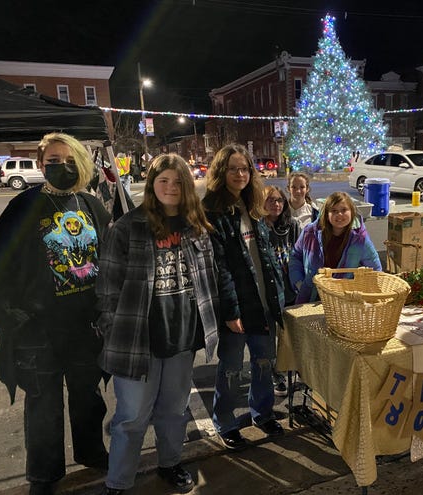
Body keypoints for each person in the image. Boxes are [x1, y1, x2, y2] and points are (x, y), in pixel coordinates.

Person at [0, 132, 111, 495]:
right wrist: (12, 321)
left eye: (68, 160)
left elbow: (111, 262)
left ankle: (91, 451)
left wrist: (106, 313)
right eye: (52, 161)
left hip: (85, 327)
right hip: (38, 329)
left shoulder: (91, 206)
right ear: (40, 165)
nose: (60, 167)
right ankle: (44, 473)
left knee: (88, 396)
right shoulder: (23, 207)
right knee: (43, 404)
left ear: (82, 162)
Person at [96, 154, 218, 495]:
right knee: (132, 418)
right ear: (152, 184)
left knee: (174, 412)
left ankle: (170, 464)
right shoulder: (127, 227)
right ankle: (119, 482)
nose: (171, 188)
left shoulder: (196, 227)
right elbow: (107, 288)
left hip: (180, 338)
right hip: (137, 341)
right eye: (163, 180)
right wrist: (110, 329)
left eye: (178, 182)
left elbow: (209, 280)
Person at [202, 144, 285, 451]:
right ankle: (225, 421)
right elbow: (219, 266)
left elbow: (267, 257)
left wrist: (279, 296)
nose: (240, 174)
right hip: (236, 306)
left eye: (245, 169)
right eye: (234, 168)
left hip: (262, 301)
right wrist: (231, 310)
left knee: (264, 362)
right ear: (221, 172)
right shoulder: (213, 211)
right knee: (232, 367)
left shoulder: (253, 205)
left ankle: (262, 413)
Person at [289, 191, 382, 304]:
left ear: (351, 212)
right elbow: (295, 256)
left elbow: (375, 270)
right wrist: (298, 282)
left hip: (343, 301)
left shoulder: (359, 239)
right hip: (310, 297)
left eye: (344, 210)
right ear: (326, 214)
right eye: (334, 211)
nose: (339, 215)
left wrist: (367, 296)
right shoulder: (310, 232)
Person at [263, 185, 301, 396]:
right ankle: (273, 374)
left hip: (290, 289)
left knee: (288, 337)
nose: (275, 204)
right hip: (269, 292)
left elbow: (299, 253)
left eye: (279, 200)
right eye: (270, 200)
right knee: (268, 338)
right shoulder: (259, 227)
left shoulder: (292, 225)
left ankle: (286, 369)